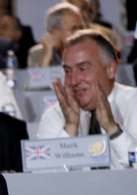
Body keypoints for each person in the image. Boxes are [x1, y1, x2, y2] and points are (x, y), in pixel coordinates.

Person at [37, 30, 136, 170]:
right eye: (68, 71)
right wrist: (69, 129)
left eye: (83, 69)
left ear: (110, 70)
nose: (74, 80)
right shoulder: (55, 115)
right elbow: (43, 181)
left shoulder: (134, 103)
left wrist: (114, 131)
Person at [29, 2, 86, 69]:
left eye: (81, 28)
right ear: (55, 32)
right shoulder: (37, 54)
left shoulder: (91, 50)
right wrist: (46, 57)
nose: (80, 33)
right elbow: (37, 78)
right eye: (73, 29)